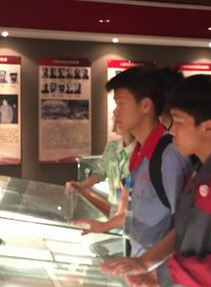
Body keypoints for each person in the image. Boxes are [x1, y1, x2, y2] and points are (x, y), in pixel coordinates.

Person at [101, 75, 211, 287]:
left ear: (208, 127)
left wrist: (166, 273)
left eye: (179, 122)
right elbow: (182, 230)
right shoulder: (201, 173)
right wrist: (145, 262)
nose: (173, 130)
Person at [73, 66, 191, 258]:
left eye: (121, 103)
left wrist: (148, 265)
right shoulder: (139, 153)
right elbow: (136, 212)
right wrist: (104, 226)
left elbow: (183, 226)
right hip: (139, 260)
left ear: (145, 106)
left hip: (159, 268)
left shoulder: (169, 156)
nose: (116, 112)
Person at [66, 123, 135, 216]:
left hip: (133, 208)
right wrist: (81, 185)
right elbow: (101, 172)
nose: (116, 121)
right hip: (113, 206)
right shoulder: (112, 146)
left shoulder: (140, 148)